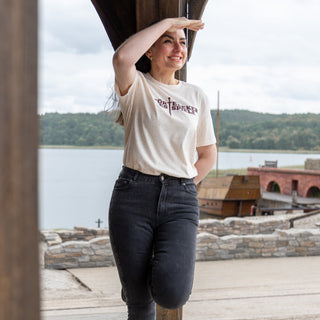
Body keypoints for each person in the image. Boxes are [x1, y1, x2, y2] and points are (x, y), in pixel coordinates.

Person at [109, 17, 217, 320]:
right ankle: (134, 288)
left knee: (173, 292)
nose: (178, 48)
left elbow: (208, 155)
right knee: (140, 305)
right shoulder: (137, 87)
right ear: (150, 51)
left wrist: (183, 183)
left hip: (180, 199)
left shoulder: (196, 96)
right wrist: (171, 22)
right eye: (168, 41)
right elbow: (122, 57)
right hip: (133, 196)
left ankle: (135, 283)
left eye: (182, 42)